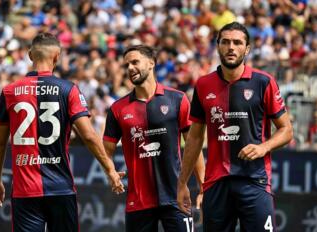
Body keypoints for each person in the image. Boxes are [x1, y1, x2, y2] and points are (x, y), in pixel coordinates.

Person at [0, 33, 124, 232]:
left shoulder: (9, 91)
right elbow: (88, 135)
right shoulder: (68, 89)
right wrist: (110, 170)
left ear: (29, 56)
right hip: (60, 187)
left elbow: (0, 142)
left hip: (25, 191)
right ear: (57, 56)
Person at [177, 22, 293, 232]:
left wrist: (263, 147)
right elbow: (194, 138)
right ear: (218, 46)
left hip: (255, 181)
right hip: (215, 184)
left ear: (247, 49)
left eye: (237, 43)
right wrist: (183, 182)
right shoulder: (203, 85)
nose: (231, 47)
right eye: (226, 42)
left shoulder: (263, 82)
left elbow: (286, 130)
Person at [103, 45, 205, 232]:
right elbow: (106, 150)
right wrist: (110, 171)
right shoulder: (118, 109)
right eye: (127, 65)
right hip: (138, 201)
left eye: (135, 62)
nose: (130, 68)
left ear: (151, 63)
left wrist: (202, 186)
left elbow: (194, 145)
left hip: (176, 196)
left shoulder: (178, 99)